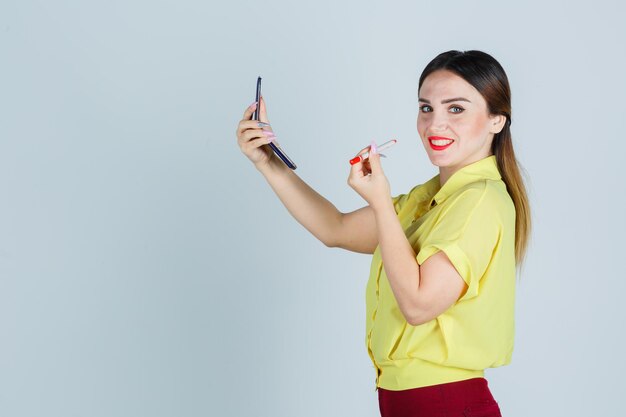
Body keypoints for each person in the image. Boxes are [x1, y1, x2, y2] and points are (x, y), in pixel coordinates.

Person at [235, 50, 530, 417]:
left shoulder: (480, 200)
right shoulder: (428, 199)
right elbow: (335, 229)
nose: (435, 124)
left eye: (456, 109)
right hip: (407, 401)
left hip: (444, 402)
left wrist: (380, 201)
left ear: (496, 121)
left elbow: (419, 304)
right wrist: (269, 163)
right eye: (426, 108)